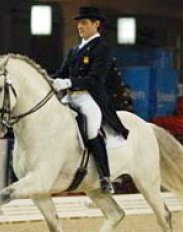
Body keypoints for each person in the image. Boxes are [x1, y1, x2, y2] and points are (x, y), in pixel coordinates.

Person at [52, 6, 129, 194]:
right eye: (79, 23)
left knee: (92, 129)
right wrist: (48, 80)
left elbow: (95, 79)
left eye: (85, 22)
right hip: (70, 98)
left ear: (96, 24)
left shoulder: (102, 48)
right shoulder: (74, 50)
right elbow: (61, 73)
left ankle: (105, 177)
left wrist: (68, 81)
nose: (80, 26)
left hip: (89, 98)